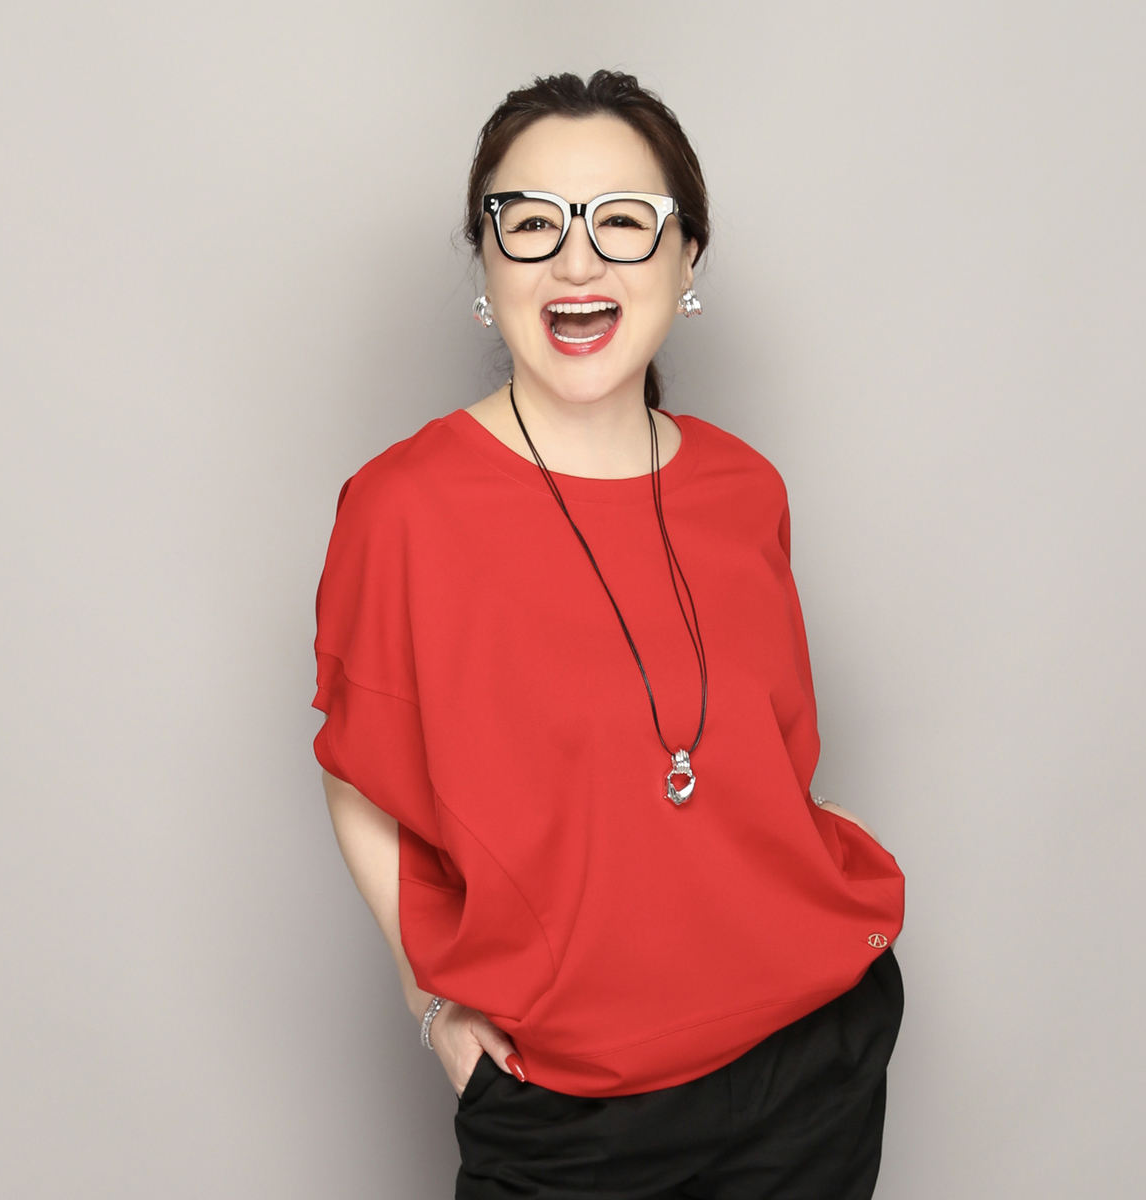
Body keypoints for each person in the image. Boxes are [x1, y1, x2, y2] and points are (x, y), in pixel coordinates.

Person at [313, 70, 905, 1200]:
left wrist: (792, 846)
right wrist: (429, 1001)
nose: (576, 263)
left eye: (623, 223)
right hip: (567, 1109)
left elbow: (763, 753)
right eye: (532, 224)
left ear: (687, 261)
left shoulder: (745, 488)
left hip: (812, 1063)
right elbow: (358, 769)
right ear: (486, 264)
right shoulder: (402, 509)